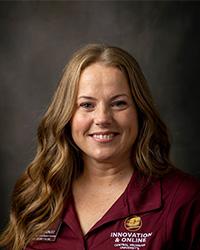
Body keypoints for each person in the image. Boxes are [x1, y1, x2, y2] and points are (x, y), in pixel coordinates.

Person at [0, 44, 199, 250]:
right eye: (87, 105)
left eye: (118, 103)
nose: (103, 118)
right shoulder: (37, 195)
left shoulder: (185, 200)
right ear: (67, 115)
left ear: (140, 112)